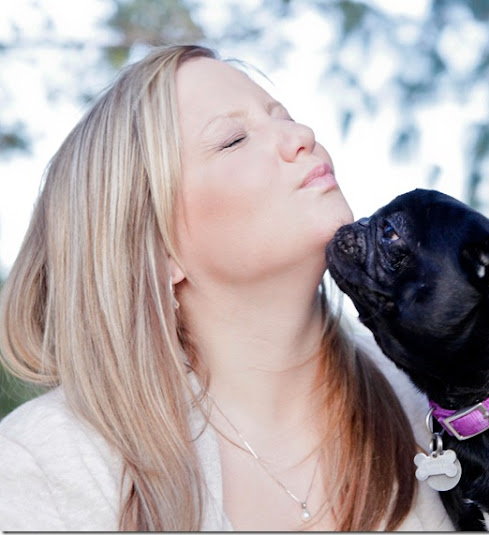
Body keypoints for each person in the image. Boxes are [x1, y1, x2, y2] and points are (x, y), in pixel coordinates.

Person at [0, 45, 453, 531]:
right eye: (234, 140)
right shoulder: (46, 466)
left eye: (284, 116)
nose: (302, 135)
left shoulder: (438, 393)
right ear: (157, 251)